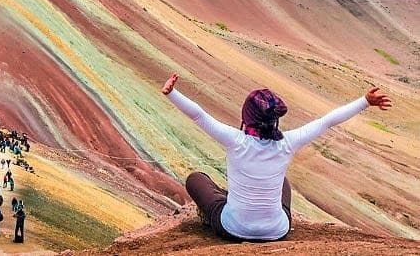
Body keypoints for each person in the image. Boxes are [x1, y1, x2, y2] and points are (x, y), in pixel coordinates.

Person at [161, 73, 393, 242]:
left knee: (196, 179)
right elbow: (327, 121)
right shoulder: (287, 143)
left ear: (247, 116)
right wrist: (365, 101)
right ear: (275, 119)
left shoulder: (235, 140)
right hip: (277, 231)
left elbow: (198, 116)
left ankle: (220, 209)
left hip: (232, 228)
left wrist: (172, 93)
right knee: (283, 182)